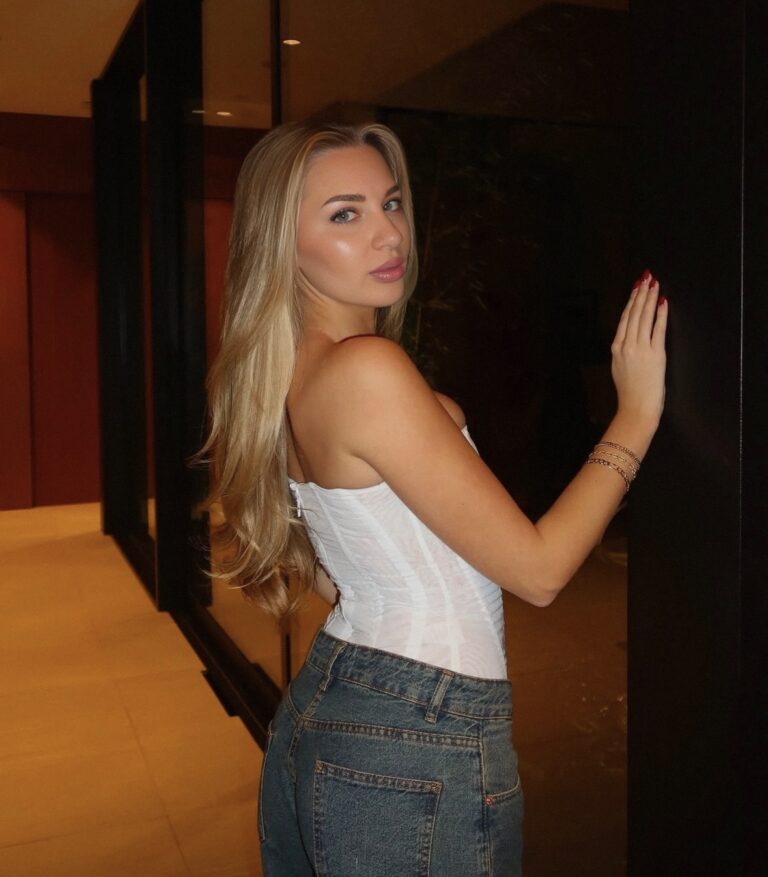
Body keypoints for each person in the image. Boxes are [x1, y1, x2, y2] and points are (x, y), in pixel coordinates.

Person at [193, 119, 668, 876]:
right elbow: (540, 570)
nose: (388, 234)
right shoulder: (366, 370)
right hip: (411, 731)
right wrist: (635, 415)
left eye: (390, 203)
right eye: (344, 214)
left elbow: (331, 561)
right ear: (282, 244)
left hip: (342, 701)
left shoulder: (287, 374)